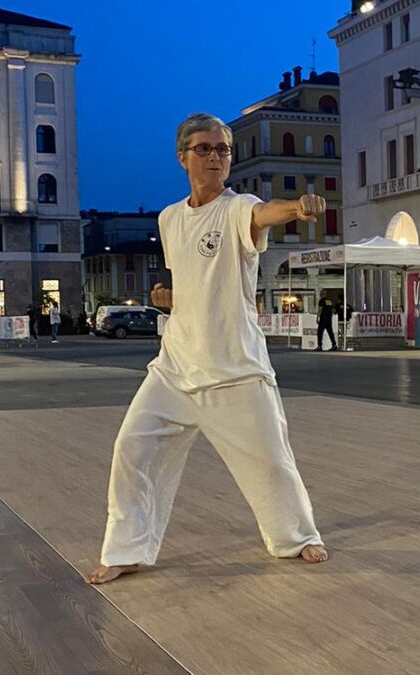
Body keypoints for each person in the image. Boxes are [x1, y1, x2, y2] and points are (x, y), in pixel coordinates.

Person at [85, 113, 328, 585]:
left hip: (234, 368)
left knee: (271, 460)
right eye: (205, 148)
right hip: (174, 369)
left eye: (223, 149)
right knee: (132, 450)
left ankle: (296, 537)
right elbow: (195, 284)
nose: (216, 156)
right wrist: (167, 300)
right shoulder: (170, 218)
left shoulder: (239, 209)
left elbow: (265, 213)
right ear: (183, 157)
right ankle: (127, 549)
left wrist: (298, 208)